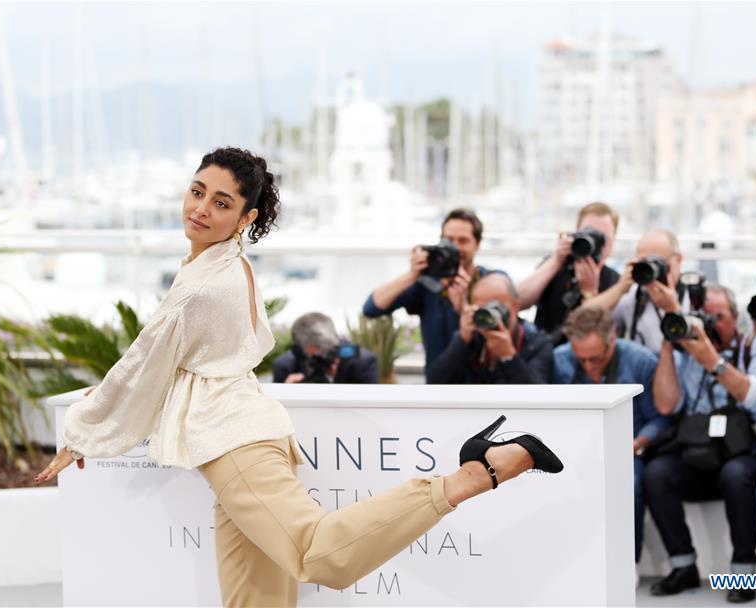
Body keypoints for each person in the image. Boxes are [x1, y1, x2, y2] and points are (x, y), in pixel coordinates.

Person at [34, 147, 563, 608]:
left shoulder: (204, 282)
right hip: (240, 434)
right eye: (197, 192)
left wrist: (83, 430)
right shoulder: (220, 264)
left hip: (235, 443)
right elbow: (165, 359)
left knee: (318, 554)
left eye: (221, 203)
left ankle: (472, 474)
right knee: (255, 601)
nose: (200, 208)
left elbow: (146, 360)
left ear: (246, 217)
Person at [647, 284, 756, 603]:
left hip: (747, 454)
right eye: (704, 317)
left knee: (736, 475)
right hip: (700, 453)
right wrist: (670, 343)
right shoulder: (687, 353)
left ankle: (742, 573)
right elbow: (666, 405)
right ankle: (683, 566)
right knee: (657, 473)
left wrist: (714, 361)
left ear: (736, 318)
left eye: (718, 317)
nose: (710, 324)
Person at [552, 306, 670, 573]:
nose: (589, 366)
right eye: (581, 360)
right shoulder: (559, 360)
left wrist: (638, 443)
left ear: (612, 339)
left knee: (630, 485)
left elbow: (661, 418)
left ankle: (627, 565)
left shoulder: (641, 361)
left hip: (628, 449)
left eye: (596, 358)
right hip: (574, 450)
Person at [362, 208, 495, 373]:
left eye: (463, 240)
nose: (455, 247)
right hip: (436, 385)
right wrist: (412, 274)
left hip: (480, 385)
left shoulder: (491, 283)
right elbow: (371, 308)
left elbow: (495, 336)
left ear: (478, 244)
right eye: (449, 240)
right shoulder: (427, 284)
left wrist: (463, 306)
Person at [517, 202, 622, 343]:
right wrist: (556, 260)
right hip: (545, 349)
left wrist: (590, 292)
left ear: (613, 242)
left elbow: (601, 334)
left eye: (602, 238)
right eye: (588, 234)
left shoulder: (615, 281)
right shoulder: (555, 266)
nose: (594, 243)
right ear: (576, 233)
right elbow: (516, 301)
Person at [426, 272, 553, 384]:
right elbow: (434, 382)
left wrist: (509, 356)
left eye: (496, 308)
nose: (489, 316)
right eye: (483, 309)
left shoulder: (536, 344)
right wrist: (462, 342)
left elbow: (536, 398)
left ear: (515, 307)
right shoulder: (471, 338)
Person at [582, 229, 689, 353]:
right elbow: (583, 320)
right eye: (644, 263)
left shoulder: (693, 295)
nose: (652, 270)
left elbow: (695, 351)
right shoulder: (634, 295)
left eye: (657, 262)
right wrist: (620, 288)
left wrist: (673, 309)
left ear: (678, 260)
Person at [272, 312, 378, 384]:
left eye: (328, 352)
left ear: (336, 341)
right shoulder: (285, 367)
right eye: (315, 358)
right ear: (299, 352)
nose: (322, 361)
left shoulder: (362, 362)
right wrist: (286, 394)